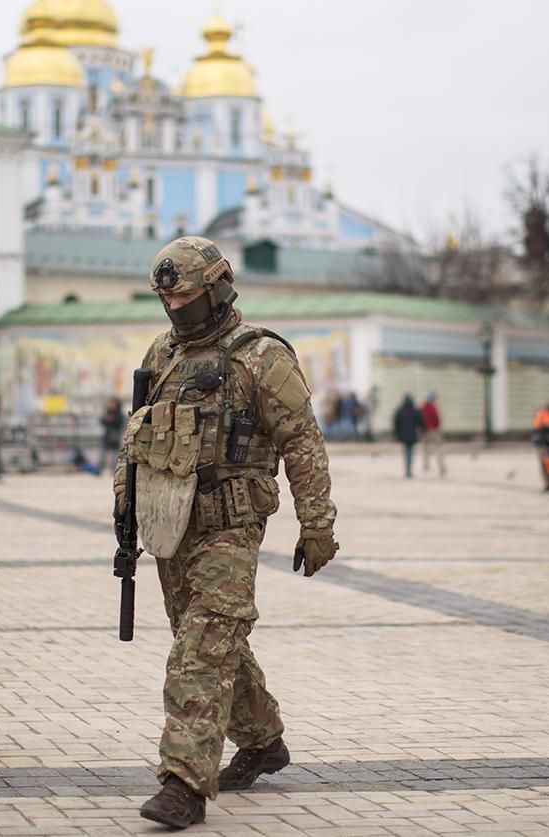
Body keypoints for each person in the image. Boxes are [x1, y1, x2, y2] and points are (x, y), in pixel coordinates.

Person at [115, 236, 338, 829]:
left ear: (217, 289)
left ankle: (183, 783)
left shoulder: (261, 356)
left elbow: (303, 442)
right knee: (219, 647)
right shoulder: (162, 354)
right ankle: (264, 742)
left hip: (231, 529)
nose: (175, 310)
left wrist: (317, 523)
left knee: (198, 652)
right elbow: (135, 440)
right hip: (171, 527)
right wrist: (125, 507)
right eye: (168, 300)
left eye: (186, 298)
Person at [392, 395, 423, 478]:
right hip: (412, 435)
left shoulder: (400, 410)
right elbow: (420, 421)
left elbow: (396, 423)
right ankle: (408, 469)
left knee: (406, 452)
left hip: (403, 435)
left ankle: (407, 469)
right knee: (410, 452)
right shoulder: (415, 410)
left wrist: (397, 434)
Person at [419, 394, 448, 478]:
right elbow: (437, 419)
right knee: (438, 448)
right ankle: (441, 466)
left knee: (425, 448)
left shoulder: (422, 408)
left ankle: (426, 465)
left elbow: (420, 420)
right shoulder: (433, 407)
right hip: (434, 430)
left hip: (425, 432)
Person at [99, 396, 125, 477]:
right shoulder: (108, 411)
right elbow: (102, 421)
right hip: (107, 435)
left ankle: (113, 469)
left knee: (114, 454)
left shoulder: (119, 413)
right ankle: (99, 469)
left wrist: (111, 420)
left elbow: (119, 422)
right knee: (103, 453)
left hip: (115, 435)